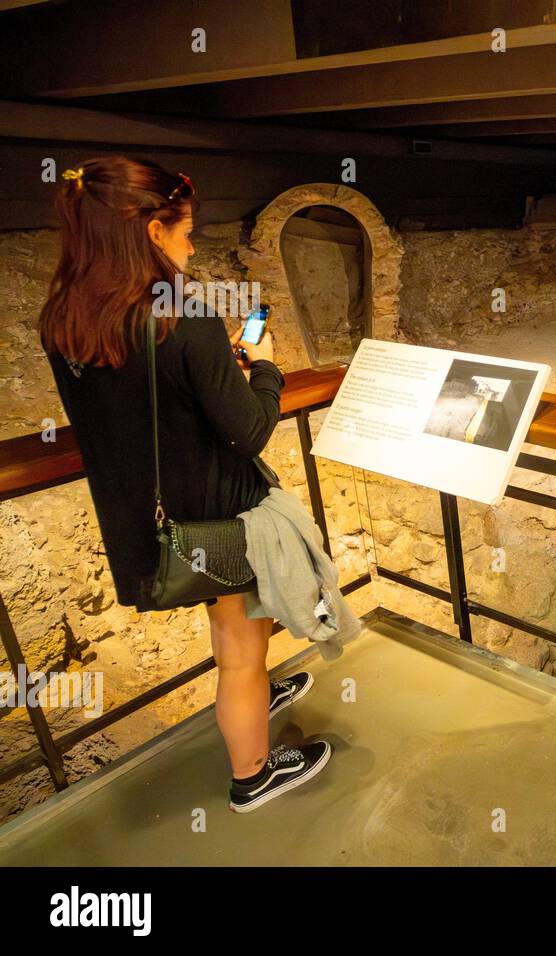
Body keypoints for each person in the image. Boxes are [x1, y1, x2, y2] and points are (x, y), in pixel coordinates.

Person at [39, 156, 332, 812]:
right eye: (184, 229)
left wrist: (208, 371)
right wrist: (263, 370)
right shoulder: (184, 319)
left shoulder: (64, 321)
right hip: (214, 511)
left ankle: (252, 696)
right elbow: (251, 432)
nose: (190, 244)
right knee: (241, 642)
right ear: (149, 232)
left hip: (146, 517)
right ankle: (254, 772)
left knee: (229, 625)